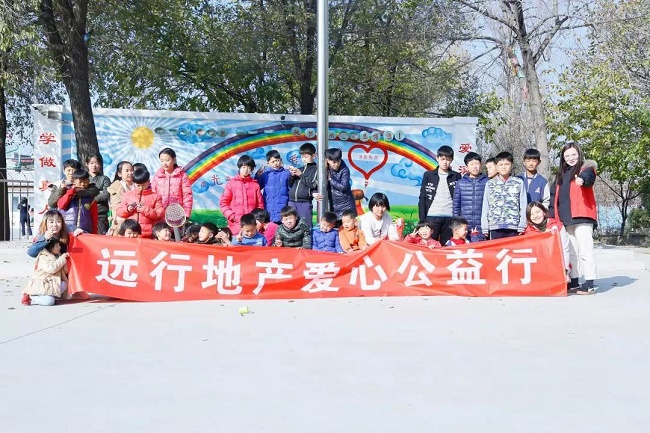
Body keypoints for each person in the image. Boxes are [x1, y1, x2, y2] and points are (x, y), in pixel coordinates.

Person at [549, 142, 598, 294]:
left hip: (582, 216)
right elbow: (553, 197)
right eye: (567, 156)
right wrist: (552, 217)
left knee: (585, 250)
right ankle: (574, 281)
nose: (571, 158)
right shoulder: (560, 175)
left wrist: (582, 180)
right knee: (571, 252)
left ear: (579, 155)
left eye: (574, 155)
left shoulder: (586, 168)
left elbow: (588, 178)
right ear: (563, 158)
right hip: (565, 219)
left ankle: (589, 282)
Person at [418, 145, 461, 245]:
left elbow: (459, 198)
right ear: (437, 158)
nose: (445, 162)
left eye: (448, 159)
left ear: (452, 160)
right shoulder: (428, 175)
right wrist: (422, 220)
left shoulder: (456, 176)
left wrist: (457, 219)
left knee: (447, 246)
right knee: (429, 245)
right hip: (432, 216)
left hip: (450, 217)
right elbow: (423, 197)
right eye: (442, 159)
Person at [480, 151, 527, 240]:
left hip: (513, 226)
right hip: (495, 226)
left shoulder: (518, 182)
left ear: (512, 166)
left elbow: (523, 204)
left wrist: (522, 224)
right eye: (501, 165)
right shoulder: (490, 184)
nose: (504, 167)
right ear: (497, 167)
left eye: (507, 164)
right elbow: (486, 205)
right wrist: (485, 225)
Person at [524, 202, 571, 286]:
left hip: (556, 266)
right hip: (538, 268)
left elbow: (565, 249)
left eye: (538, 212)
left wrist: (565, 269)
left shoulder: (557, 226)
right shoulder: (528, 232)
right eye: (532, 214)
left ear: (544, 212)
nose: (535, 216)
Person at [220, 154, 264, 235]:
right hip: (236, 225)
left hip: (251, 226)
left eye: (249, 168)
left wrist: (257, 220)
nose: (246, 170)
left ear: (251, 169)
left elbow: (260, 206)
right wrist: (232, 216)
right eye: (243, 167)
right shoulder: (231, 184)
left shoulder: (255, 185)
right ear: (239, 167)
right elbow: (223, 203)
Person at [117, 167, 164, 239]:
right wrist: (127, 209)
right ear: (134, 183)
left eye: (143, 185)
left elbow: (159, 214)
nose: (141, 188)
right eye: (138, 185)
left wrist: (145, 209)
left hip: (148, 234)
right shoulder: (128, 195)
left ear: (149, 181)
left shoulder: (156, 196)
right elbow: (119, 212)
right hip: (130, 234)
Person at [22, 238, 69, 306]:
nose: (59, 247)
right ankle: (31, 296)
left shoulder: (57, 256)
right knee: (49, 301)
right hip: (42, 283)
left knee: (64, 284)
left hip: (51, 283)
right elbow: (52, 268)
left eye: (59, 245)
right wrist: (62, 259)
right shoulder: (44, 257)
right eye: (56, 246)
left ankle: (49, 296)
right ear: (50, 248)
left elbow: (63, 272)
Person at [452, 152, 488, 242]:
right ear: (467, 167)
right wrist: (457, 225)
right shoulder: (460, 183)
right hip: (465, 227)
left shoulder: (487, 182)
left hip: (483, 226)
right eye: (471, 164)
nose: (475, 167)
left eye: (477, 163)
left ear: (481, 165)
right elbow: (456, 206)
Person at [151, 147, 193, 218]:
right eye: (162, 161)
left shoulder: (182, 176)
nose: (164, 163)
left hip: (177, 214)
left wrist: (186, 214)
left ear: (174, 160)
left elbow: (187, 196)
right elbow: (152, 195)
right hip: (160, 214)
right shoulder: (157, 176)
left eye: (167, 160)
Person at [57, 168, 98, 235]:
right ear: (74, 181)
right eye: (80, 182)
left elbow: (94, 217)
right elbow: (61, 205)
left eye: (85, 182)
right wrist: (71, 191)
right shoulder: (66, 191)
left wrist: (94, 233)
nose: (83, 184)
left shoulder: (91, 197)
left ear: (89, 181)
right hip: (67, 230)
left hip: (85, 231)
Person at [287, 142, 318, 229]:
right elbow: (290, 184)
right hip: (292, 201)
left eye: (306, 157)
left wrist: (301, 174)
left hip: (304, 202)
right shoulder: (300, 168)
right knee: (291, 227)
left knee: (305, 227)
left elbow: (313, 184)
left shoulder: (316, 169)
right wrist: (292, 176)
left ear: (313, 155)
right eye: (302, 157)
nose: (304, 159)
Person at [255, 149, 291, 223]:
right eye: (273, 162)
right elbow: (257, 187)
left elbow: (291, 189)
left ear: (281, 160)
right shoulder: (265, 175)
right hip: (269, 209)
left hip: (283, 208)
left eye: (277, 160)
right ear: (268, 163)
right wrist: (258, 176)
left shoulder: (287, 173)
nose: (276, 163)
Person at [325, 148, 356, 222]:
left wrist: (331, 180)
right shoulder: (326, 169)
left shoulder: (345, 169)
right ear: (328, 160)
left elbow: (343, 186)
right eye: (334, 162)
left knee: (347, 225)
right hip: (333, 205)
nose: (336, 164)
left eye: (338, 161)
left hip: (346, 204)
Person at [107, 161, 135, 236]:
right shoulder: (115, 187)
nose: (130, 173)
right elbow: (117, 206)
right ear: (119, 174)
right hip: (120, 223)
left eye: (132, 170)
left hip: (136, 223)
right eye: (127, 171)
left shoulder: (137, 186)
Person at [86, 154, 111, 234]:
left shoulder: (105, 179)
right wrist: (98, 193)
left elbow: (105, 195)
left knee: (100, 237)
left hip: (100, 214)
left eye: (96, 163)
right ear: (87, 164)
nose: (94, 165)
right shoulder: (83, 179)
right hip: (85, 213)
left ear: (100, 165)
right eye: (91, 163)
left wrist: (89, 198)